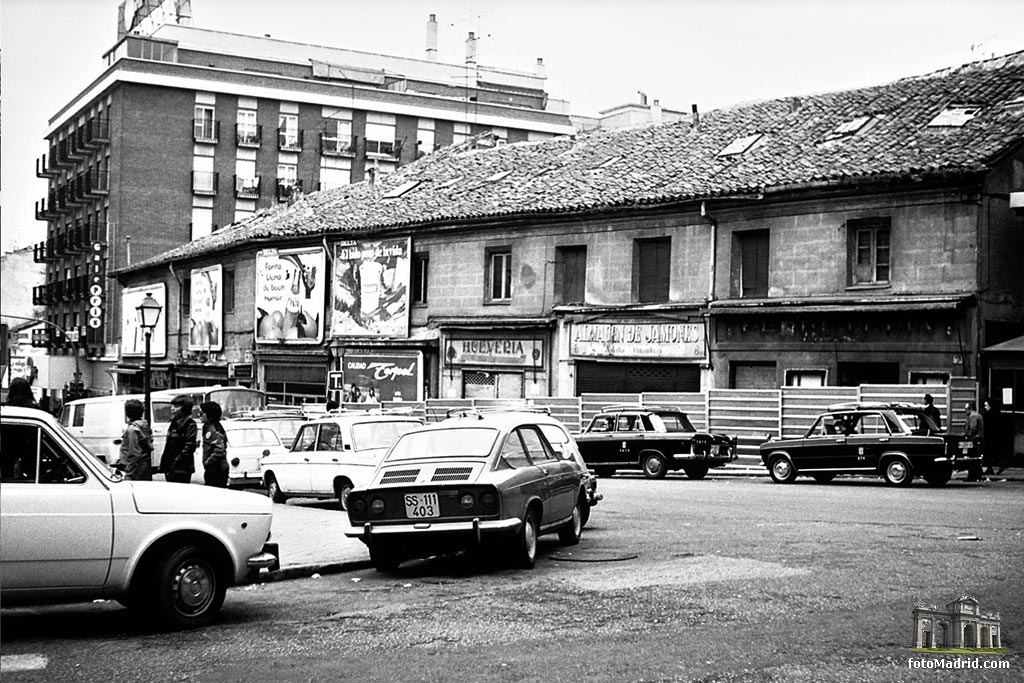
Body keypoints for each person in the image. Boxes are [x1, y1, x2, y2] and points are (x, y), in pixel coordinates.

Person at [159, 395, 197, 484]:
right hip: (169, 464)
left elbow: (189, 446)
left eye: (176, 407)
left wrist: (176, 461)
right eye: (172, 406)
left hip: (182, 467)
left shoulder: (190, 424)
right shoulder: (174, 422)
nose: (172, 409)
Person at [119, 398, 154, 481]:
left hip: (135, 468)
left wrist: (129, 473)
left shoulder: (132, 429)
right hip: (144, 463)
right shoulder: (143, 425)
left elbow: (133, 452)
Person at [200, 401, 228, 488]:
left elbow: (219, 451)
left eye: (201, 413)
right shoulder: (207, 427)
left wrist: (207, 462)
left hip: (217, 469)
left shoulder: (215, 430)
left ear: (209, 415)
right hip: (211, 469)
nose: (199, 415)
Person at [982, 398, 1009, 476]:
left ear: (990, 406)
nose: (985, 407)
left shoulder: (987, 415)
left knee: (990, 453)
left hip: (990, 437)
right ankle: (991, 468)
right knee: (992, 453)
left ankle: (997, 466)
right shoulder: (998, 413)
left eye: (986, 405)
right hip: (997, 436)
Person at [963, 401, 985, 482]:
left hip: (975, 440)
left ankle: (972, 476)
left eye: (966, 409)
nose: (965, 411)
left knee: (971, 457)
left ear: (970, 409)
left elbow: (973, 428)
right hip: (979, 439)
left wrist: (967, 436)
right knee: (976, 459)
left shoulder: (973, 416)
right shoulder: (978, 415)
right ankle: (978, 475)